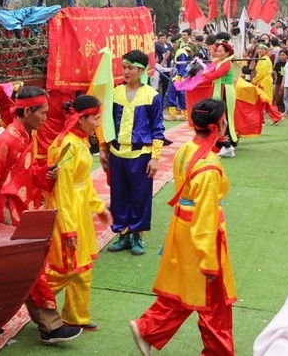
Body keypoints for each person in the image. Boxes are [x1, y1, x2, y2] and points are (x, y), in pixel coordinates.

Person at [0, 86, 82, 346]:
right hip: (8, 212)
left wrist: (47, 173)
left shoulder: (27, 135)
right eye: (42, 112)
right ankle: (50, 325)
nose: (46, 118)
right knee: (30, 268)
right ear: (29, 111)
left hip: (24, 208)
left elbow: (31, 171)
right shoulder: (6, 140)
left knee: (9, 271)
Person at [129, 99, 236, 356]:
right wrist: (208, 259)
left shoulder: (187, 149)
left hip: (183, 226)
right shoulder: (208, 165)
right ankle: (216, 351)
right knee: (212, 300)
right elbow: (205, 216)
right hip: (201, 235)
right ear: (220, 124)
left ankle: (149, 328)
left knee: (186, 290)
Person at [45, 95, 113, 332]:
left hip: (80, 210)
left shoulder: (81, 140)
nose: (97, 123)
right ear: (81, 117)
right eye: (95, 118)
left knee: (83, 266)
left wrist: (99, 207)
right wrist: (68, 229)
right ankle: (32, 296)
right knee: (66, 268)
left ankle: (76, 316)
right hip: (67, 213)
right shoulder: (67, 145)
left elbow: (83, 182)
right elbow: (62, 192)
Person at [101, 49, 165, 256]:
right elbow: (106, 123)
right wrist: (103, 149)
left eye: (130, 68)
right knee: (119, 195)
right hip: (117, 153)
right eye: (124, 68)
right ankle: (123, 233)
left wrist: (155, 158)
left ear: (141, 70)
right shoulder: (116, 93)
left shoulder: (152, 96)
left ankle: (137, 234)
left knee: (140, 196)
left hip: (141, 154)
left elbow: (158, 129)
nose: (125, 72)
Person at [252, 43, 284, 125]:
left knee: (262, 101)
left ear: (266, 50)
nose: (259, 50)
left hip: (264, 82)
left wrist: (254, 81)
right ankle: (276, 117)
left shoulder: (265, 60)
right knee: (265, 102)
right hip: (262, 81)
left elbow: (262, 73)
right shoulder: (262, 58)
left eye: (262, 49)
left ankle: (262, 120)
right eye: (258, 48)